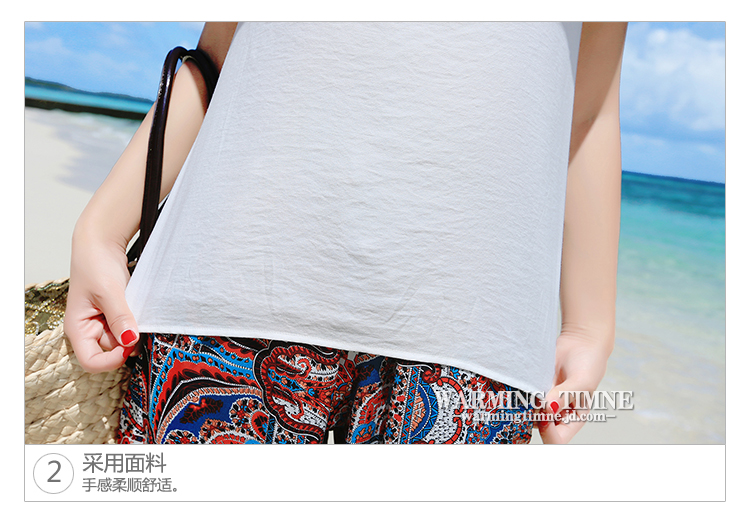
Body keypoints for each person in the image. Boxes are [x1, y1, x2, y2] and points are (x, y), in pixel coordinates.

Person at [64, 22, 628, 444]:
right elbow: (219, 54)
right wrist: (102, 230)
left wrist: (589, 326)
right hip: (228, 290)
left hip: (477, 330)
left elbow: (585, 108)